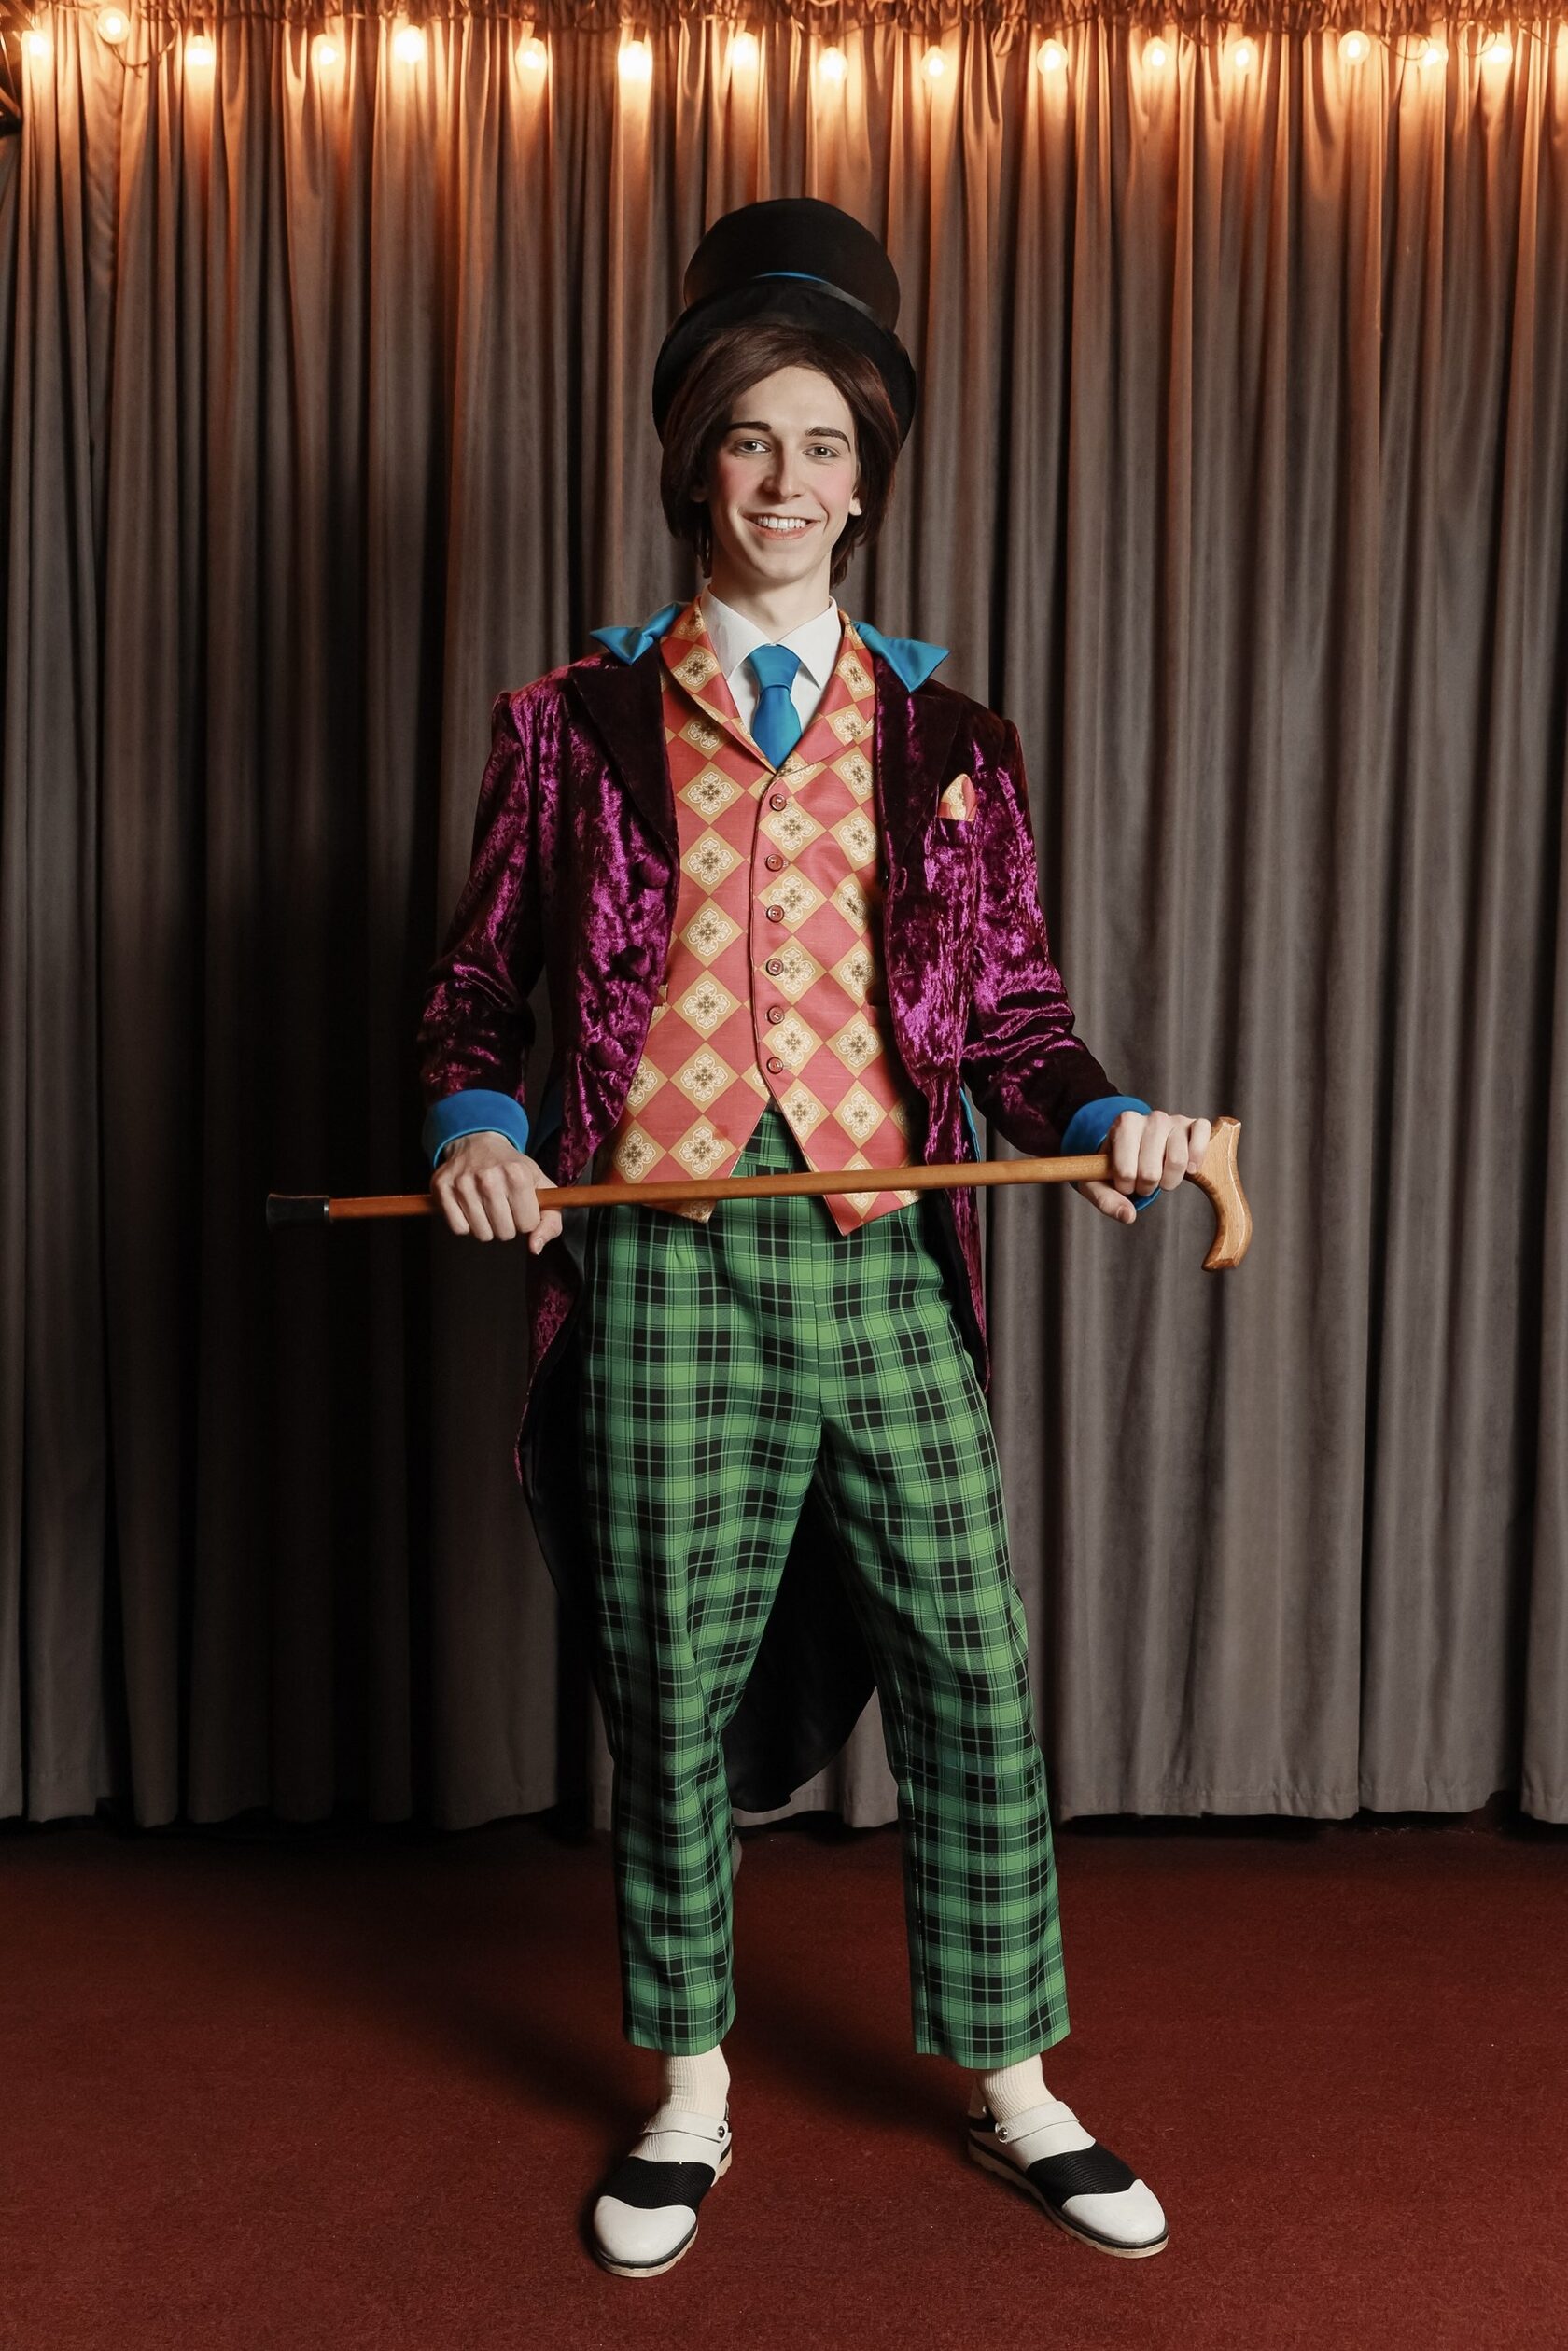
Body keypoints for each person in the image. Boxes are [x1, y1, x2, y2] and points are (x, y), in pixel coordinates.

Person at [417, 198, 1210, 2276]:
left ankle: (1015, 2082)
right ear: (698, 462)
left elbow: (1014, 1018)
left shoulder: (953, 738)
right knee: (669, 1679)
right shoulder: (568, 721)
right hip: (665, 1254)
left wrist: (1109, 1120)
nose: (787, 480)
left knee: (973, 1662)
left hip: (880, 1251)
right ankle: (688, 2087)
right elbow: (480, 991)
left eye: (828, 445)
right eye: (753, 439)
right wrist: (479, 1126)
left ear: (870, 477)